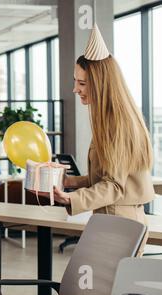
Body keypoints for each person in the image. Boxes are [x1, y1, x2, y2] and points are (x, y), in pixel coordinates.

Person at [44, 25, 154, 255]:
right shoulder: (111, 119)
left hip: (120, 222)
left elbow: (114, 186)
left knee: (107, 290)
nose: (75, 89)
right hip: (113, 218)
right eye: (76, 81)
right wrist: (69, 182)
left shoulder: (118, 123)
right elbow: (108, 177)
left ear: (101, 83)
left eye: (82, 83)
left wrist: (72, 198)